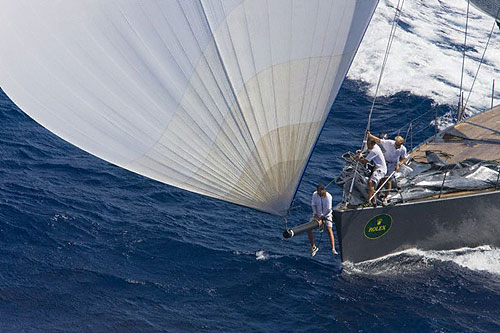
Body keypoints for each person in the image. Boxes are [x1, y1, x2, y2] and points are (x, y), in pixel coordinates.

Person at [366, 131, 408, 202]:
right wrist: (370, 135)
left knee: (388, 180)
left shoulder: (403, 149)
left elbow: (404, 158)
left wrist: (399, 164)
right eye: (396, 144)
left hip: (393, 164)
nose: (397, 146)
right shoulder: (389, 143)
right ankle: (377, 193)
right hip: (385, 163)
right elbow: (378, 140)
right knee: (381, 179)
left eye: (399, 145)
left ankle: (385, 197)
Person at [353, 138, 387, 205]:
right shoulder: (374, 146)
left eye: (369, 144)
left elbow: (365, 161)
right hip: (376, 168)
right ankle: (373, 200)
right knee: (371, 183)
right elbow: (367, 151)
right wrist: (361, 152)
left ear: (373, 144)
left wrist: (357, 159)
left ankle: (369, 200)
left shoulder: (375, 151)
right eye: (367, 144)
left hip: (380, 169)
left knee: (370, 182)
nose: (368, 146)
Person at [307, 184, 337, 257]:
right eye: (318, 192)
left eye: (320, 192)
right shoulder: (315, 194)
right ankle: (313, 247)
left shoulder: (329, 197)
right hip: (317, 215)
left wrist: (323, 218)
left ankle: (333, 248)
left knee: (329, 229)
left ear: (324, 190)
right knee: (308, 228)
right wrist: (316, 215)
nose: (319, 194)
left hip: (327, 215)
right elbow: (313, 205)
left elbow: (329, 209)